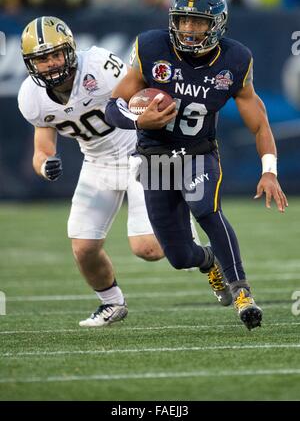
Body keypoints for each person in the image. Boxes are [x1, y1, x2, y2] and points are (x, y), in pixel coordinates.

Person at [18, 16, 223, 329]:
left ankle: (207, 258)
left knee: (149, 249)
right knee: (83, 247)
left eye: (56, 54)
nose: (50, 64)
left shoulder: (99, 65)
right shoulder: (31, 96)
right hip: (97, 163)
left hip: (140, 155)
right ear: (31, 64)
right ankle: (111, 303)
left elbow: (142, 91)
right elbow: (41, 149)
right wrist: (46, 166)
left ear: (70, 50)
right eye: (41, 59)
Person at [105, 0, 288, 330]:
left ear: (216, 24)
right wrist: (137, 119)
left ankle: (242, 292)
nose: (188, 29)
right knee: (178, 256)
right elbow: (113, 105)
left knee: (205, 207)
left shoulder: (235, 60)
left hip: (197, 152)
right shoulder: (151, 46)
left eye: (198, 22)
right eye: (183, 21)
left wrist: (269, 171)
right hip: (155, 157)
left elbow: (260, 123)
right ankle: (207, 262)